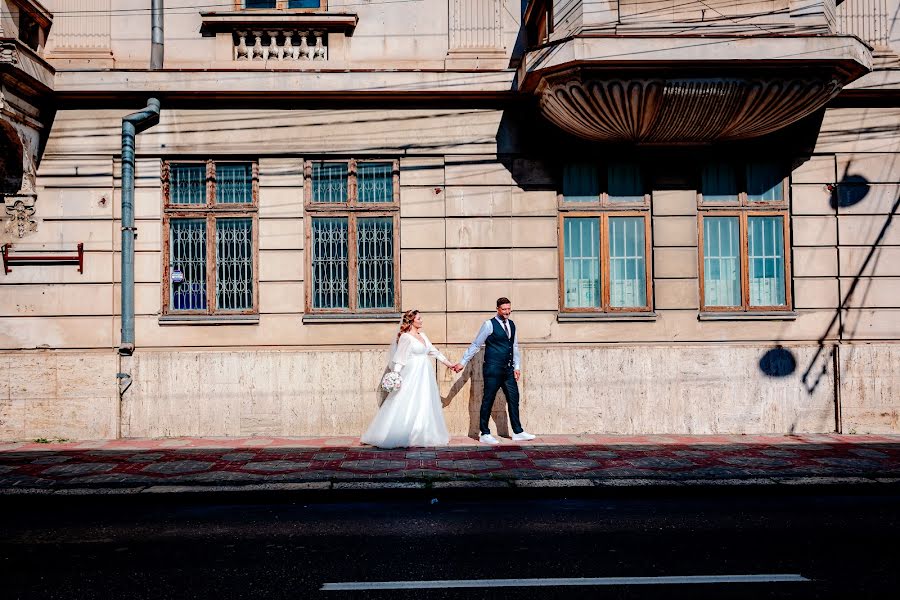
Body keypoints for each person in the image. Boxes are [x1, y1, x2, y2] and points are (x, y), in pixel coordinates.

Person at [361, 310, 454, 448]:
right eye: (419, 318)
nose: (421, 320)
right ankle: (394, 433)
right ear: (411, 321)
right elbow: (400, 358)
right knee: (406, 400)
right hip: (412, 373)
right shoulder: (405, 337)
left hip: (425, 374)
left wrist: (449, 364)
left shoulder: (423, 335)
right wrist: (395, 375)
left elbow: (433, 351)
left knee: (424, 401)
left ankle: (423, 433)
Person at [454, 297, 536, 445]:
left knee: (514, 398)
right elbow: (476, 344)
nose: (507, 312)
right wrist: (462, 362)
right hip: (492, 369)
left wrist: (517, 367)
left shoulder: (511, 324)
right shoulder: (488, 325)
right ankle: (484, 433)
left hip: (508, 370)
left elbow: (514, 346)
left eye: (509, 309)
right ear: (497, 309)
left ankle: (517, 432)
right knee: (488, 399)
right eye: (504, 309)